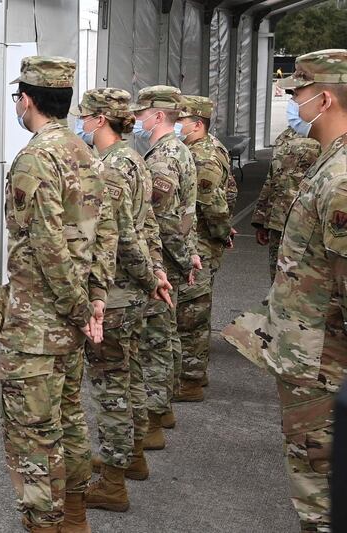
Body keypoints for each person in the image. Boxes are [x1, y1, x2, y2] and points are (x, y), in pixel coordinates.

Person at [0, 56, 109, 533]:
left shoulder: (35, 157)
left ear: (26, 100)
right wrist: (94, 301)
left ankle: (46, 523)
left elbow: (48, 245)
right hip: (71, 321)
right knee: (69, 418)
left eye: (16, 97)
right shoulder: (84, 151)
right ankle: (73, 517)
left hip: (38, 325)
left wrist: (76, 305)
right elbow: (102, 233)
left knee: (33, 434)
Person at [223, 48, 347, 533]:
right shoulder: (330, 164)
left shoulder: (340, 179)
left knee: (320, 495)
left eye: (297, 94)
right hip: (313, 357)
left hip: (323, 363)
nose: (294, 105)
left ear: (326, 97)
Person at [74, 88, 173, 513]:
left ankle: (113, 482)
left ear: (99, 120)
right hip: (131, 292)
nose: (81, 123)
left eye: (85, 116)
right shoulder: (134, 158)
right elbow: (148, 226)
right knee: (127, 377)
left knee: (111, 386)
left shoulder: (111, 168)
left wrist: (149, 275)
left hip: (114, 295)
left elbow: (125, 237)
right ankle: (129, 457)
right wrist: (154, 274)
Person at [131, 85, 198, 447]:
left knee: (155, 340)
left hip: (164, 261)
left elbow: (162, 220)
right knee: (166, 334)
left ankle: (153, 420)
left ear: (159, 116)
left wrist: (181, 259)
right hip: (175, 256)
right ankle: (164, 408)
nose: (137, 119)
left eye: (142, 113)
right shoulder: (177, 150)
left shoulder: (163, 159)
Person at [174, 95, 234, 401]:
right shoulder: (202, 148)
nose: (175, 124)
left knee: (191, 316)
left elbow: (212, 203)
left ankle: (190, 381)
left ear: (197, 124)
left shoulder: (202, 156)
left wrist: (223, 233)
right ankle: (192, 373)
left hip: (199, 243)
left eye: (180, 120)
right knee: (192, 311)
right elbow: (230, 190)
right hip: (198, 241)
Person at [252, 123, 320, 282]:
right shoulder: (285, 136)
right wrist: (260, 221)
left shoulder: (325, 134)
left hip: (307, 225)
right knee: (278, 280)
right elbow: (272, 178)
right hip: (278, 223)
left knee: (307, 284)